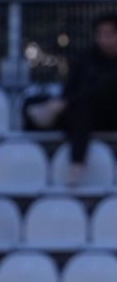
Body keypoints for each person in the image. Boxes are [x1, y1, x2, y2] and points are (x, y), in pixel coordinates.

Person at [25, 12, 117, 184]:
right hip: (80, 116)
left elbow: (104, 89)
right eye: (101, 34)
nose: (105, 39)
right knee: (32, 102)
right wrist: (65, 101)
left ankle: (77, 164)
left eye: (110, 33)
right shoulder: (86, 58)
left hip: (109, 114)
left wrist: (65, 102)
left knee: (84, 103)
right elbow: (69, 88)